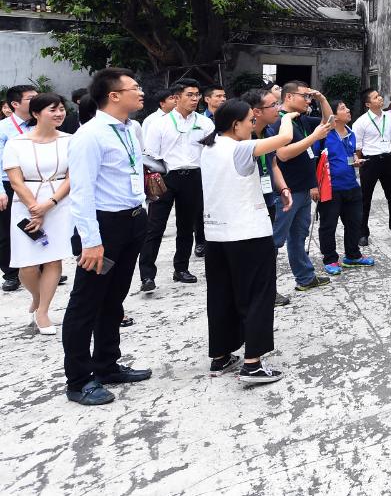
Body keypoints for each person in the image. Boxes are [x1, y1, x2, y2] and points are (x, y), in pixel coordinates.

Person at [62, 67, 151, 406]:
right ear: (114, 95)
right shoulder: (90, 136)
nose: (140, 92)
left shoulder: (128, 130)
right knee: (86, 303)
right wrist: (91, 241)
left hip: (132, 221)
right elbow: (82, 192)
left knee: (114, 298)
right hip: (104, 226)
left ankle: (107, 364)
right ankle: (78, 380)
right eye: (134, 88)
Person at [199, 99, 305, 384]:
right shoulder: (240, 148)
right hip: (248, 234)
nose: (253, 124)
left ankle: (221, 355)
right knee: (258, 296)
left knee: (221, 295)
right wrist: (286, 116)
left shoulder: (210, 147)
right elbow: (285, 138)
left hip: (217, 235)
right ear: (236, 125)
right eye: (250, 121)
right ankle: (253, 363)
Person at [4, 93, 73, 334]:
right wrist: (35, 208)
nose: (59, 113)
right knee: (27, 265)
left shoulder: (70, 140)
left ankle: (43, 311)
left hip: (59, 204)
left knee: (54, 259)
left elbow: (72, 176)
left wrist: (49, 204)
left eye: (61, 108)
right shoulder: (16, 143)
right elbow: (16, 181)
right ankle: (37, 296)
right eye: (52, 109)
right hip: (25, 205)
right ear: (36, 113)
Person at [138, 79, 211, 290]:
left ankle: (181, 268)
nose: (195, 99)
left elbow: (210, 151)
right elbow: (150, 154)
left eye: (197, 94)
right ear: (176, 98)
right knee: (155, 227)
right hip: (166, 176)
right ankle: (147, 275)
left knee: (186, 227)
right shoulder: (159, 123)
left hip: (194, 177)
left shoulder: (205, 123)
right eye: (190, 95)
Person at [270, 81, 333, 292]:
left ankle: (305, 277)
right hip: (287, 192)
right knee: (275, 240)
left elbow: (329, 122)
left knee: (298, 237)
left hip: (304, 189)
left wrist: (322, 99)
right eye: (304, 96)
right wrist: (314, 137)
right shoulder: (279, 122)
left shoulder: (300, 119)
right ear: (289, 97)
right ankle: (266, 288)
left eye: (309, 97)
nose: (308, 101)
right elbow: (283, 154)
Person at [241, 89, 293, 307]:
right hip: (247, 203)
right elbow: (287, 139)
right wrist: (288, 119)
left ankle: (268, 291)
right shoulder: (242, 137)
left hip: (268, 199)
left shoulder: (269, 131)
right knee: (250, 252)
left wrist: (283, 188)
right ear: (256, 112)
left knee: (268, 249)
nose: (278, 109)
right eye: (273, 105)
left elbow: (273, 163)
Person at [314, 100, 373, 275]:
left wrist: (356, 161)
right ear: (333, 116)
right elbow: (313, 159)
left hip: (351, 185)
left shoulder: (351, 133)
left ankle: (353, 255)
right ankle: (330, 259)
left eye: (346, 107)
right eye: (342, 108)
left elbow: (350, 154)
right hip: (330, 187)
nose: (348, 110)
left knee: (354, 222)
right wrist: (313, 186)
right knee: (328, 225)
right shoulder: (324, 134)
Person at [1, 84, 40, 292]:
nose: (36, 100)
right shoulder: (3, 128)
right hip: (9, 184)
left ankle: (44, 266)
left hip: (37, 181)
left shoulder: (40, 124)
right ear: (15, 104)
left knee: (38, 223)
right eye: (31, 98)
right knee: (7, 230)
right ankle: (10, 274)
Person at [351, 87, 391, 245]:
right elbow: (358, 148)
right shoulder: (361, 122)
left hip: (388, 160)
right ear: (367, 104)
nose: (380, 98)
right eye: (375, 97)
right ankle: (362, 233)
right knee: (365, 198)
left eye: (379, 95)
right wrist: (362, 164)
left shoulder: (389, 117)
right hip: (370, 162)